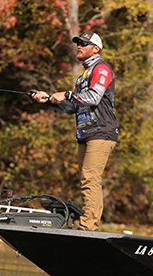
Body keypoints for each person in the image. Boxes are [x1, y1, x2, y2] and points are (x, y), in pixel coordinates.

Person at [32, 31, 119, 231]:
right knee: (87, 179)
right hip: (86, 134)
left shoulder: (102, 68)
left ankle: (88, 227)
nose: (79, 46)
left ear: (96, 49)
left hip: (102, 131)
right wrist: (48, 101)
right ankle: (89, 225)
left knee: (90, 177)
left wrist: (67, 94)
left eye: (84, 43)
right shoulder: (83, 77)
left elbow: (94, 97)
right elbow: (73, 107)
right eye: (78, 43)